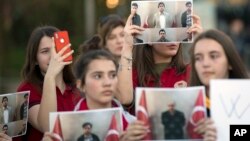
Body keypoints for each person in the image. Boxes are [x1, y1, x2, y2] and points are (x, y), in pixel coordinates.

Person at [116, 13, 203, 115]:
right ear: (149, 38)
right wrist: (127, 45)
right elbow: (124, 99)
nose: (173, 39)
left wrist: (201, 40)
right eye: (166, 32)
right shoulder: (132, 74)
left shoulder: (190, 71)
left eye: (177, 32)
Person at [14, 26, 81, 141]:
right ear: (35, 59)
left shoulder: (77, 88)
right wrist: (50, 76)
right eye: (45, 51)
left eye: (57, 49)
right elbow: (48, 127)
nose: (53, 56)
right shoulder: (25, 90)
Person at [189, 29, 250, 140]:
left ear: (230, 62)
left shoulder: (247, 99)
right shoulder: (187, 108)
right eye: (198, 58)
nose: (205, 64)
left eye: (213, 56)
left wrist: (225, 134)